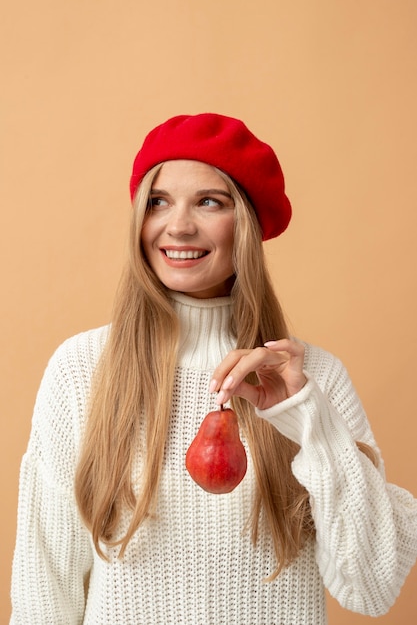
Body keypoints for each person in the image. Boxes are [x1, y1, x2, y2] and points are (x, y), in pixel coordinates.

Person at [10, 113, 417, 624]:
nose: (177, 225)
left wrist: (306, 417)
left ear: (244, 224)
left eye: (209, 201)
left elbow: (372, 588)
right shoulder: (82, 370)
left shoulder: (312, 380)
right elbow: (44, 585)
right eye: (158, 201)